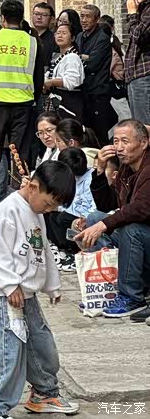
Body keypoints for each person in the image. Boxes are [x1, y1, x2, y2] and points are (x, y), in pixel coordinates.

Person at [0, 161, 79, 419]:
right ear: (33, 187)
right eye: (49, 204)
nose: (50, 210)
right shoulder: (8, 210)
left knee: (41, 343)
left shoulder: (36, 212)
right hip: (2, 294)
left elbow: (42, 249)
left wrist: (52, 285)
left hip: (26, 294)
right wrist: (9, 284)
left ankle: (44, 392)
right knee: (8, 348)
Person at [74, 119, 150, 320]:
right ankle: (107, 289)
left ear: (143, 143)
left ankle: (132, 297)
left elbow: (141, 209)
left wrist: (104, 225)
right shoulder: (126, 168)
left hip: (143, 236)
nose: (119, 147)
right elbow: (106, 205)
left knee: (131, 229)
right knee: (94, 218)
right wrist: (100, 170)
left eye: (125, 141)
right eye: (116, 141)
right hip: (140, 239)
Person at [0, 0, 45, 214]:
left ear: (3, 18)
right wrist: (34, 99)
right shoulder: (33, 42)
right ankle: (20, 194)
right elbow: (38, 77)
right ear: (21, 18)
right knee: (20, 150)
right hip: (23, 103)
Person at [43, 147, 94, 272]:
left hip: (86, 214)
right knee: (46, 212)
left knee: (63, 218)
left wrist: (61, 208)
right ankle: (57, 246)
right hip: (70, 208)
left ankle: (70, 249)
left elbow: (87, 207)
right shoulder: (69, 178)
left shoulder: (90, 178)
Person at [75, 2, 117, 145]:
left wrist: (81, 58)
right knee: (86, 133)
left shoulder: (102, 38)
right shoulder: (80, 36)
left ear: (97, 19)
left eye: (88, 17)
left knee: (99, 134)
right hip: (83, 91)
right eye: (82, 16)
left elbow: (92, 64)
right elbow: (75, 57)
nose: (84, 20)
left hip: (97, 92)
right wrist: (83, 57)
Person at [119, 0, 150, 124]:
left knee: (145, 129)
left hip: (145, 76)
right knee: (139, 127)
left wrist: (132, 13)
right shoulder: (141, 9)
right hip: (135, 77)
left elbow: (140, 37)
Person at [42, 22, 85, 122]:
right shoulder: (62, 56)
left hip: (68, 103)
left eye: (64, 33)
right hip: (60, 101)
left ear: (72, 38)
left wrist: (51, 82)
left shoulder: (72, 57)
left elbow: (72, 81)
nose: (60, 35)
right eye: (58, 33)